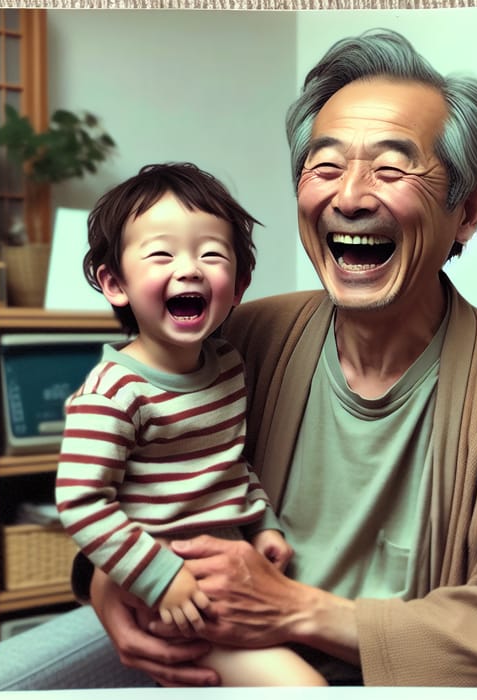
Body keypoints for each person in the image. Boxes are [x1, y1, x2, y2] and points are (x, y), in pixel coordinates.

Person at [71, 29, 477, 687]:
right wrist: (101, 584)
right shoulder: (244, 343)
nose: (349, 195)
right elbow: (132, 483)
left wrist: (298, 611)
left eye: (390, 167)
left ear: (467, 210)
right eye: (324, 167)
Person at [55, 162, 326, 686]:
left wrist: (260, 523)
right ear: (115, 284)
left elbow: (228, 465)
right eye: (161, 253)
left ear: (239, 285)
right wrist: (162, 579)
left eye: (211, 253)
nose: (190, 268)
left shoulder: (226, 366)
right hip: (170, 592)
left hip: (225, 575)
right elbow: (81, 502)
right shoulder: (114, 392)